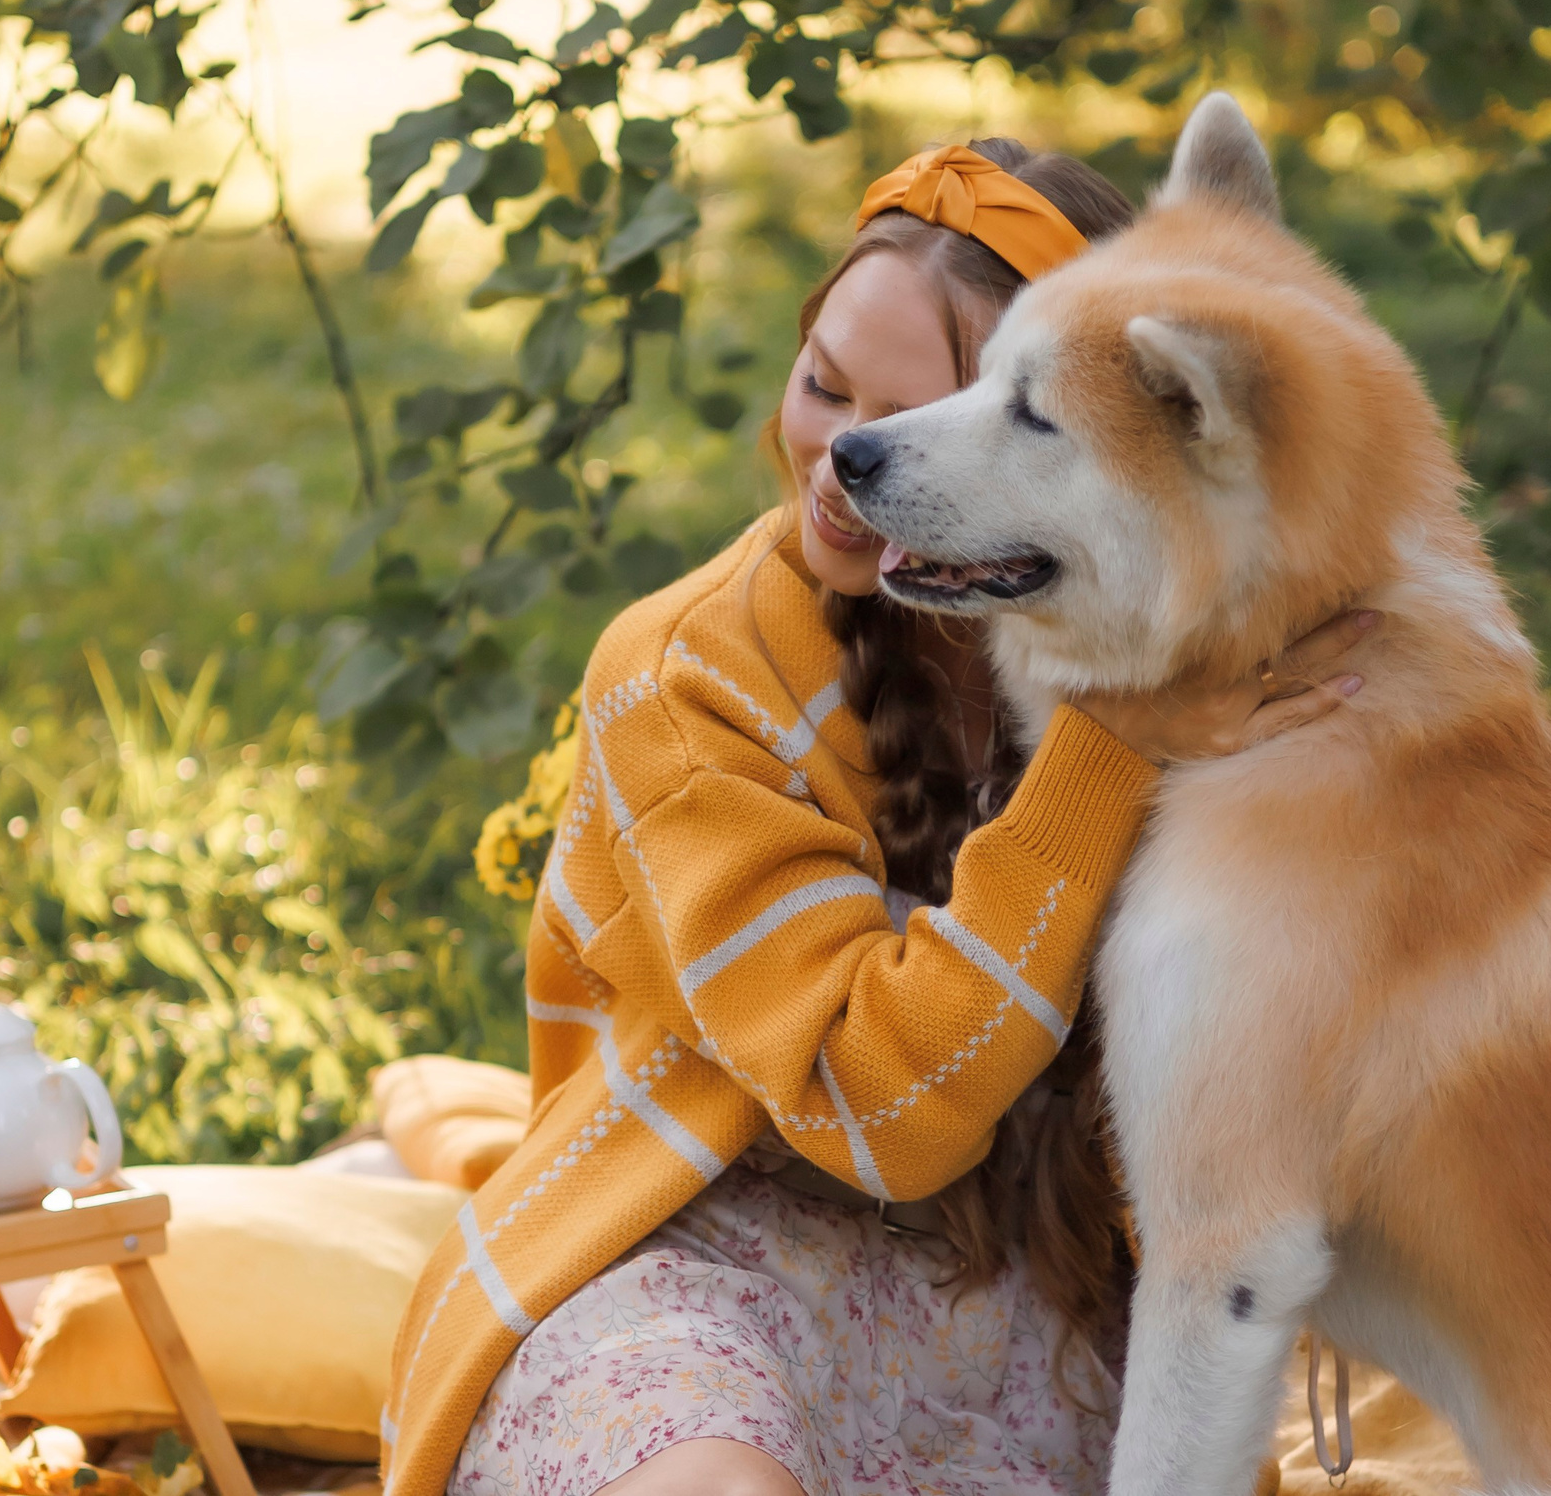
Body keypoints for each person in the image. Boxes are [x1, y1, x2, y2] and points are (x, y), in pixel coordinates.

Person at [380, 139, 1374, 1496]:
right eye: (824, 385)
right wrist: (1108, 738)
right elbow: (878, 1105)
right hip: (703, 1259)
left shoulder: (1185, 646)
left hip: (1036, 1307)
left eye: (919, 420)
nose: (844, 458)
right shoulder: (686, 677)